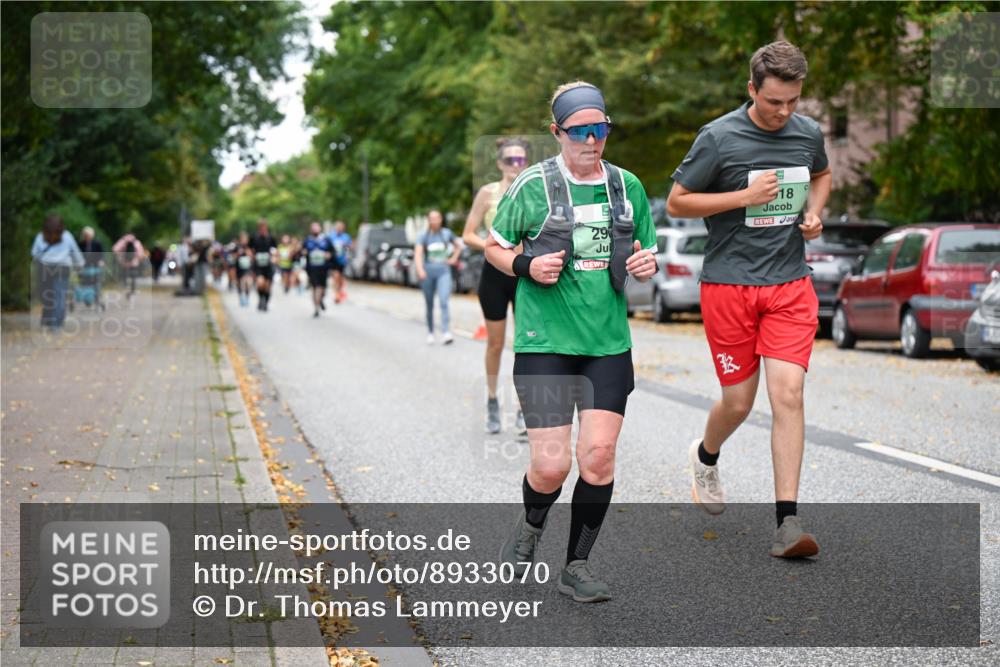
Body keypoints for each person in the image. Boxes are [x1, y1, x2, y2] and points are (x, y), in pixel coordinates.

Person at [485, 81, 658, 602]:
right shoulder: (531, 187)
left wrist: (646, 265)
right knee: (551, 465)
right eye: (579, 131)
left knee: (599, 457)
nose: (591, 139)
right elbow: (494, 249)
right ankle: (530, 529)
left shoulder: (628, 188)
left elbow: (644, 257)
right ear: (558, 133)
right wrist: (525, 265)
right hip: (545, 345)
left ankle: (576, 566)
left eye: (599, 129)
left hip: (607, 343)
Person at [667, 41, 832, 558]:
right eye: (774, 102)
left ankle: (788, 523)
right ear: (752, 89)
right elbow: (678, 201)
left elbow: (821, 174)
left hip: (788, 283)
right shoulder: (718, 138)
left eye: (793, 101)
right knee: (739, 402)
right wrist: (743, 197)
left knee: (788, 396)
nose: (784, 113)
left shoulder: (807, 133)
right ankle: (706, 454)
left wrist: (813, 214)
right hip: (729, 285)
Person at [462, 137, 530, 434]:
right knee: (496, 344)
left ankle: (522, 408)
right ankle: (492, 400)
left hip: (522, 275)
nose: (516, 165)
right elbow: (468, 233)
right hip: (493, 276)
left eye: (521, 160)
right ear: (501, 163)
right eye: (510, 160)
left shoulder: (533, 192)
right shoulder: (487, 194)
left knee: (525, 345)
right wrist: (492, 246)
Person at [415, 210, 462, 345]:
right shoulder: (423, 236)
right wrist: (420, 270)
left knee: (443, 300)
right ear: (428, 220)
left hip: (443, 271)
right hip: (428, 272)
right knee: (429, 303)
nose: (434, 221)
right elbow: (418, 254)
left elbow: (458, 246)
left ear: (441, 219)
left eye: (437, 218)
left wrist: (453, 258)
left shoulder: (447, 233)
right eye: (432, 218)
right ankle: (430, 331)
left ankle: (446, 331)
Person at [31, 213, 84, 330]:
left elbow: (34, 254)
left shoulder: (40, 236)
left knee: (47, 295)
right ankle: (56, 324)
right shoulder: (67, 236)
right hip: (62, 268)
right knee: (59, 296)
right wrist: (80, 265)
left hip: (44, 268)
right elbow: (75, 252)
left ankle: (49, 320)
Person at [302, 222, 334, 317]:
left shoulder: (326, 240)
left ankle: (319, 301)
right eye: (313, 228)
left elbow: (332, 252)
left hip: (323, 268)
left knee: (323, 289)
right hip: (312, 268)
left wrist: (328, 255)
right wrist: (304, 252)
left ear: (320, 228)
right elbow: (302, 251)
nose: (315, 229)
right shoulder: (308, 240)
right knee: (315, 287)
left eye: (316, 227)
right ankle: (316, 308)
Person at [250, 219, 277, 311]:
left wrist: (274, 257)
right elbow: (249, 249)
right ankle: (261, 298)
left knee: (267, 285)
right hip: (258, 265)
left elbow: (275, 250)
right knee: (260, 283)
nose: (263, 229)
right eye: (261, 227)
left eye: (264, 227)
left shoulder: (271, 238)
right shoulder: (254, 237)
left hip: (268, 265)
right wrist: (252, 256)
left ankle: (265, 302)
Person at [327, 221, 352, 303]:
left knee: (341, 279)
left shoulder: (346, 237)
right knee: (335, 277)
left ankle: (339, 291)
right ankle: (336, 295)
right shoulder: (331, 236)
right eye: (338, 227)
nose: (339, 229)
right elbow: (327, 247)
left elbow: (349, 248)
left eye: (341, 227)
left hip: (342, 260)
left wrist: (347, 253)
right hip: (333, 260)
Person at [234, 232, 254, 307]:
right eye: (242, 239)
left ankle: (247, 297)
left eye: (245, 239)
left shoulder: (250, 247)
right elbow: (233, 257)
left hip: (248, 268)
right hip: (239, 268)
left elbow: (253, 257)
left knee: (248, 282)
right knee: (240, 283)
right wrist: (238, 254)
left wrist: (248, 252)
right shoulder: (237, 247)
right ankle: (241, 297)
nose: (244, 240)